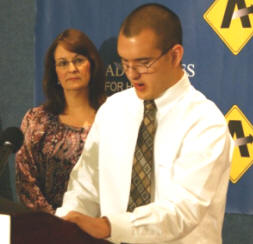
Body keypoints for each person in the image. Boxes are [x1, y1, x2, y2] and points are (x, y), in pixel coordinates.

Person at [56, 4, 234, 244]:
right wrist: (64, 223)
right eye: (125, 63)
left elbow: (181, 212)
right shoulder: (112, 110)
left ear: (175, 55)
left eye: (143, 63)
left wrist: (109, 227)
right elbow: (84, 187)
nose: (132, 74)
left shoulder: (205, 123)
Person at [15, 28, 106, 214]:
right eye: (63, 63)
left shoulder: (112, 116)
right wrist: (58, 224)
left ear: (92, 64)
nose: (72, 69)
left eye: (78, 61)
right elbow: (25, 180)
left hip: (102, 232)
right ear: (55, 72)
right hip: (48, 231)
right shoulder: (37, 120)